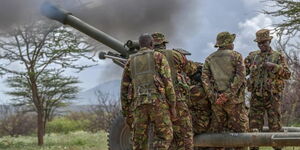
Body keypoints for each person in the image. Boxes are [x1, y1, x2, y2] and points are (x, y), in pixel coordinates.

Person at [121, 33, 177, 150]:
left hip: (138, 105)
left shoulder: (131, 61)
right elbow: (168, 82)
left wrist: (126, 112)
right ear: (152, 44)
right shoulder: (159, 57)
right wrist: (172, 105)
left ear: (139, 45)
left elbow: (124, 88)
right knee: (165, 136)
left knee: (139, 140)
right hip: (158, 104)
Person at [244, 29, 291, 150]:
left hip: (272, 97)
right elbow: (242, 72)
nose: (261, 45)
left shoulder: (278, 56)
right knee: (254, 126)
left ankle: (278, 148)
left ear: (269, 41)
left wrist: (274, 67)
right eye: (259, 43)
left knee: (275, 126)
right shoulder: (252, 57)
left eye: (264, 42)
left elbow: (287, 74)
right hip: (256, 96)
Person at [202, 32, 249, 150]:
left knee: (218, 134)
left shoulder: (209, 58)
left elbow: (205, 79)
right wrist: (227, 95)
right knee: (240, 135)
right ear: (228, 43)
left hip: (217, 103)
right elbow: (240, 77)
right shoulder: (236, 56)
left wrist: (214, 97)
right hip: (235, 102)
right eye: (232, 42)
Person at [152, 32, 193, 150]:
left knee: (163, 136)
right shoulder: (175, 55)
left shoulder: (147, 59)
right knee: (185, 133)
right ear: (164, 43)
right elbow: (190, 69)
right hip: (178, 100)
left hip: (158, 102)